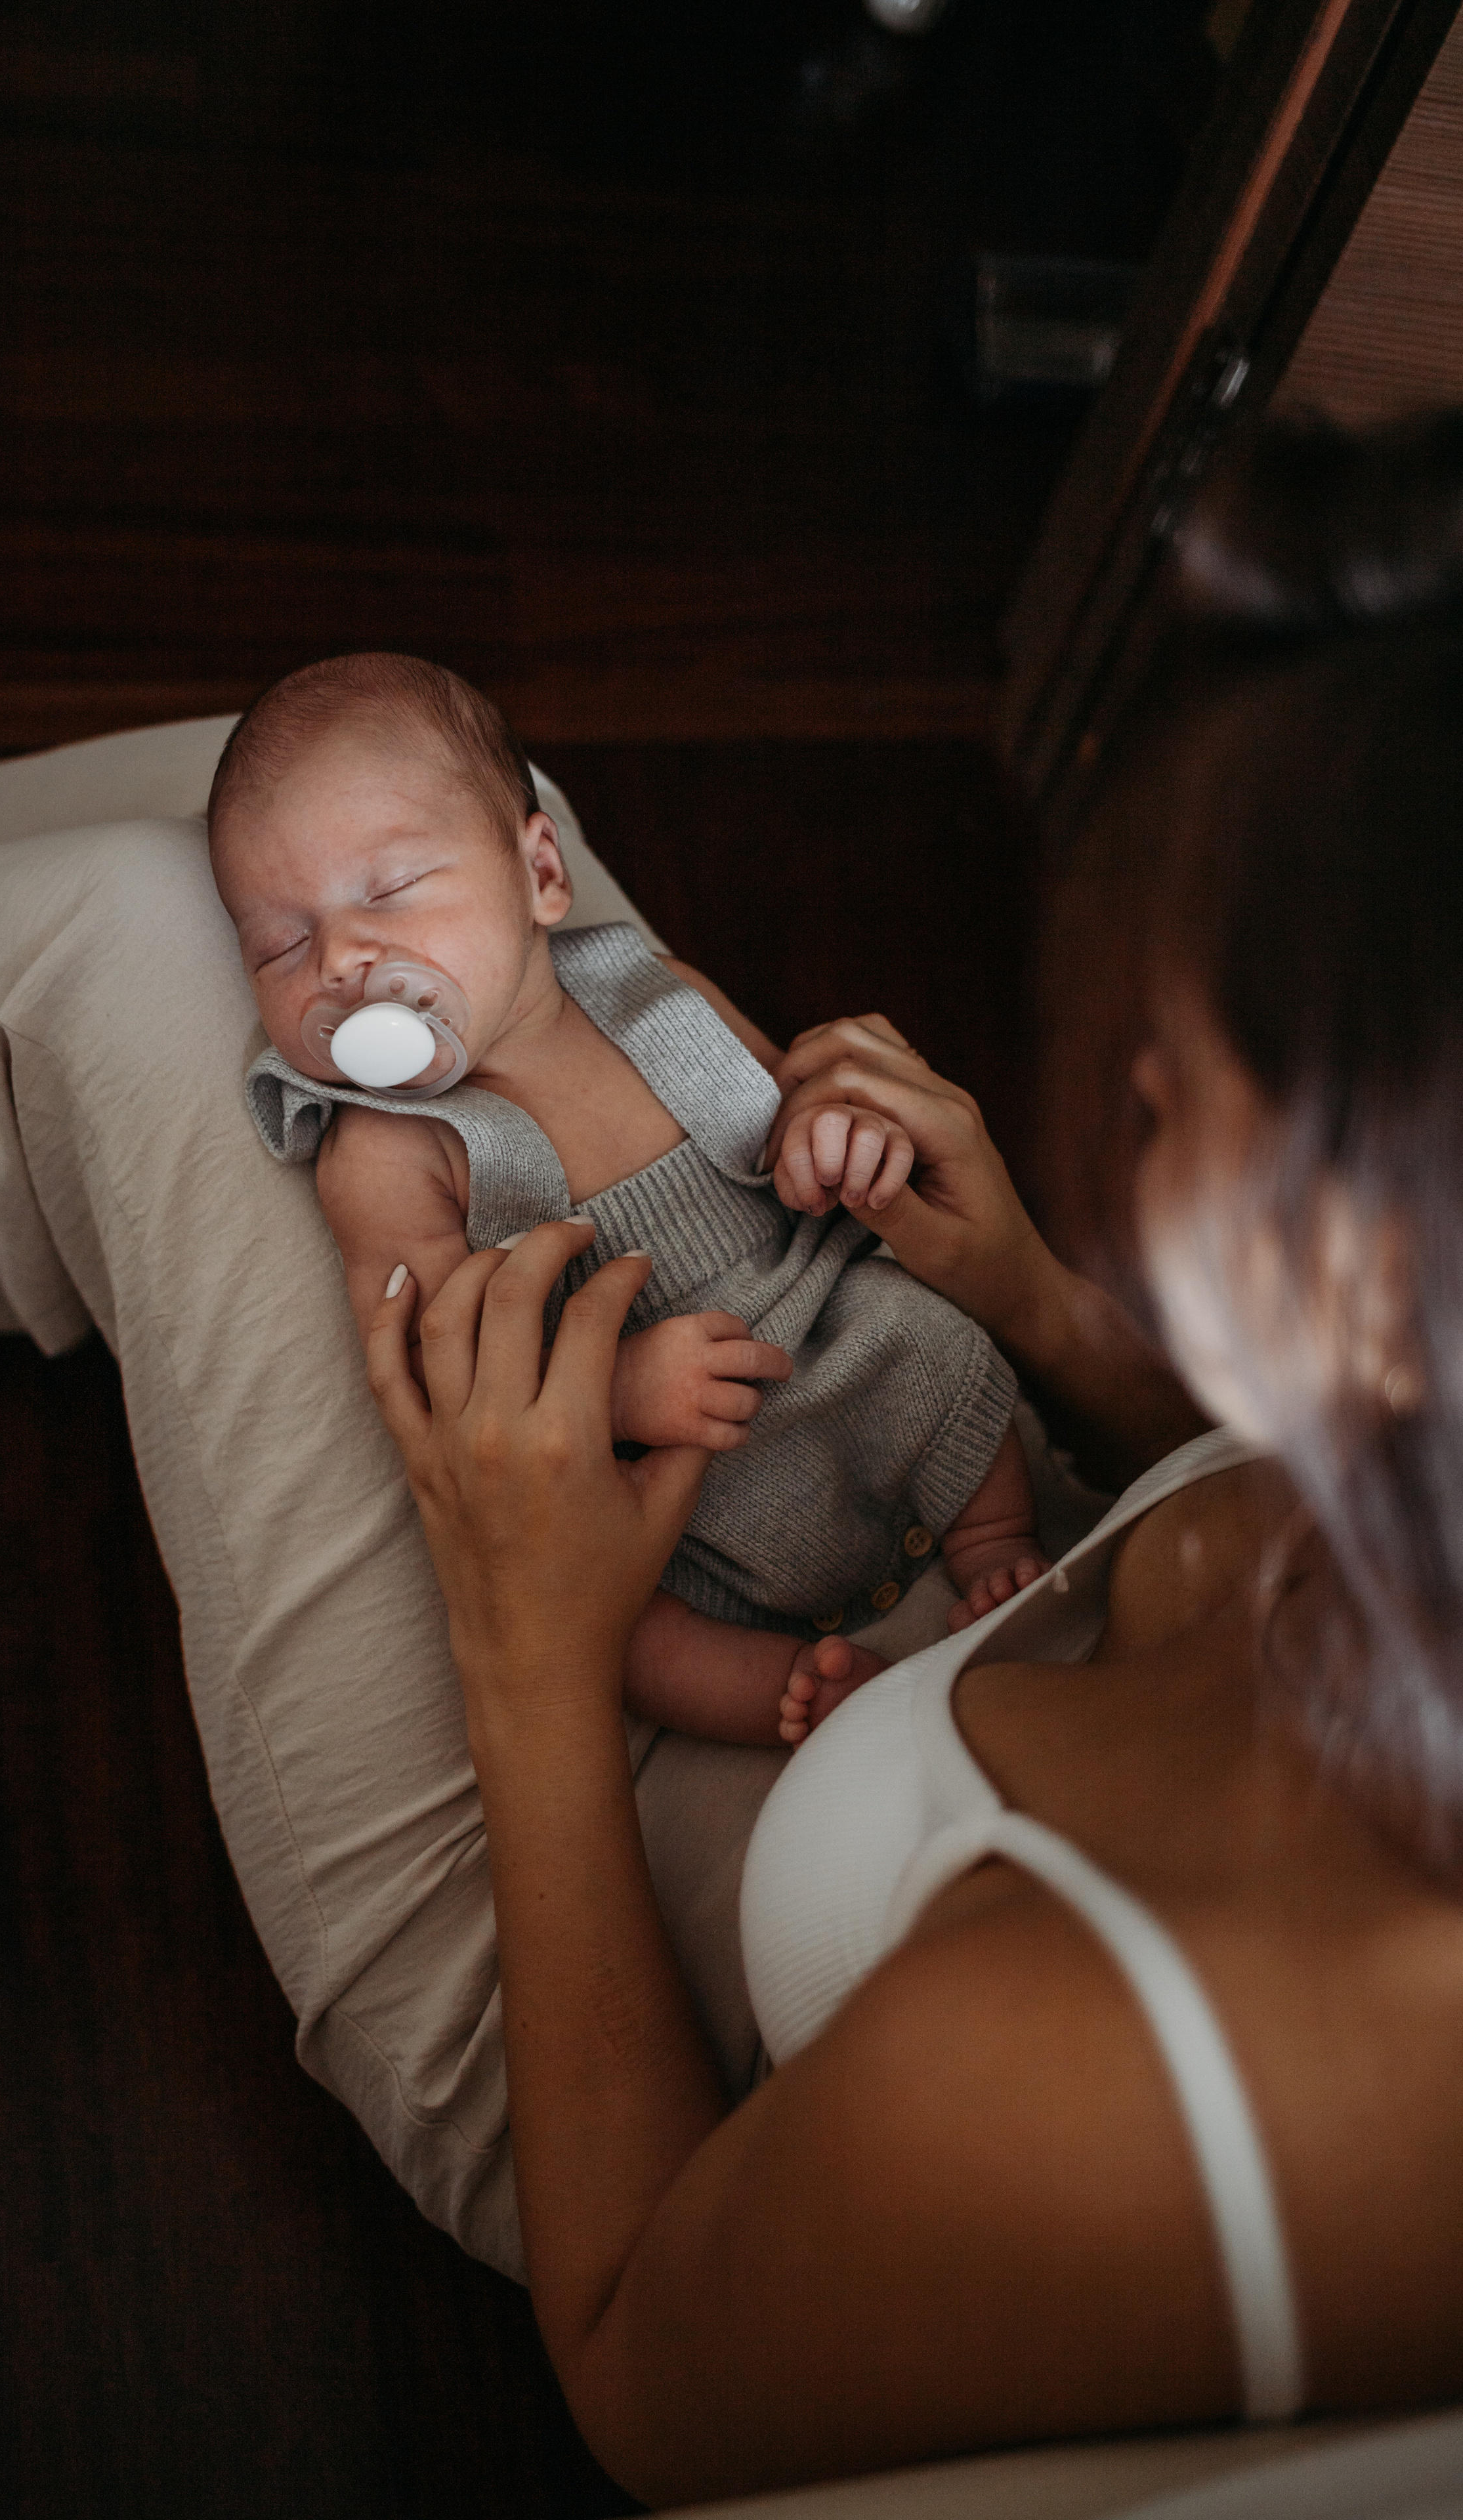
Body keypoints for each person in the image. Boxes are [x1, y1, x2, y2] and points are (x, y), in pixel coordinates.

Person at [357, 414, 1463, 2504]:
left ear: (1376, 1276)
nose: (1134, 1076)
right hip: (863, 1620)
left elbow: (634, 2367)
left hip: (628, 1955)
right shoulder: (1394, 1472)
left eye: (1184, 1063)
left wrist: (527, 1655)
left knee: (172, 948)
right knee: (368, 832)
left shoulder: (1038, 2086)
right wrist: (1041, 1299)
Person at [209, 652, 1048, 1749]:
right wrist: (613, 1394)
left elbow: (778, 1107)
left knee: (931, 1338)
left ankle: (996, 1546)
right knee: (623, 1631)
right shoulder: (391, 1154)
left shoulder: (657, 994)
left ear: (541, 873)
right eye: (281, 944)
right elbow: (442, 1381)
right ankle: (791, 1691)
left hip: (820, 1327)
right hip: (646, 1472)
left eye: (391, 891)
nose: (343, 959)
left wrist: (825, 1143)